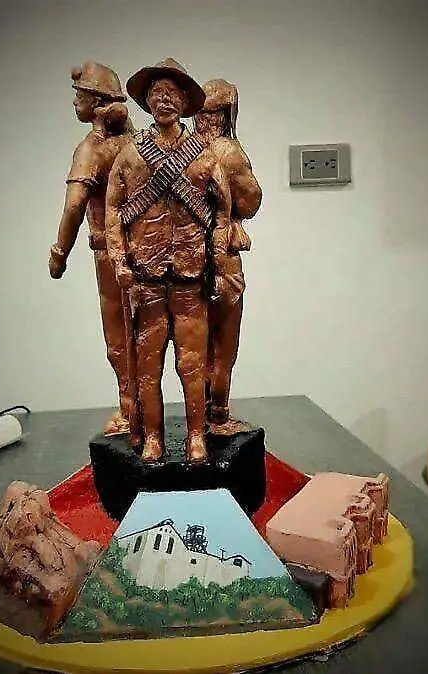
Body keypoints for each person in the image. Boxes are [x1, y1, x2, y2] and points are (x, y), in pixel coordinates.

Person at [104, 58, 216, 462]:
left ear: (185, 102)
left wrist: (220, 261)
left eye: (172, 94)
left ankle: (196, 435)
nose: (164, 100)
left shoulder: (204, 154)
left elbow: (221, 213)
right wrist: (119, 261)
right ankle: (153, 437)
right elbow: (113, 211)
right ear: (147, 101)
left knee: (192, 363)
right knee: (148, 366)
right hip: (145, 277)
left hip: (191, 277)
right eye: (157, 94)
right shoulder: (130, 155)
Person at [47, 62, 136, 436]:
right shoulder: (135, 143)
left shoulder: (91, 149)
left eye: (79, 95)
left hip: (109, 255)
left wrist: (59, 253)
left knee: (119, 338)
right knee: (146, 337)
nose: (74, 103)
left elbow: (74, 206)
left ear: (96, 102)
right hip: (145, 252)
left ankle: (131, 412)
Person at [193, 78, 262, 435]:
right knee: (223, 344)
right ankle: (217, 415)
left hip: (186, 261)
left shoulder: (184, 151)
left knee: (194, 345)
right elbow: (251, 202)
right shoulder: (229, 152)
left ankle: (198, 420)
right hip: (222, 260)